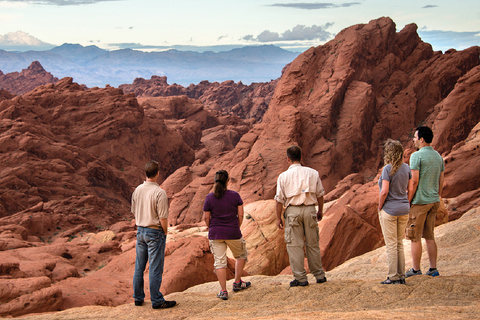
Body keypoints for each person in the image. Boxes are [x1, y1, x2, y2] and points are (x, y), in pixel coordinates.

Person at [274, 145, 327, 287]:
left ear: (288, 159)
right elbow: (320, 194)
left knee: (295, 245)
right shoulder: (313, 173)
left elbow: (279, 199)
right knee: (313, 244)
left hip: (293, 212)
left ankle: (300, 278)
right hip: (309, 209)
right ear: (301, 157)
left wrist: (278, 218)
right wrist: (320, 210)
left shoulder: (283, 176)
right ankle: (319, 275)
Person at [131, 161, 176, 309]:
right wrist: (164, 232)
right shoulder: (159, 193)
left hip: (140, 231)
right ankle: (156, 300)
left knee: (139, 266)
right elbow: (163, 217)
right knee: (155, 268)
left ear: (145, 173)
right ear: (158, 173)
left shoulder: (137, 190)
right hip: (154, 232)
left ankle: (138, 298)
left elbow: (134, 210)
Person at [203, 170, 251, 300]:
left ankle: (223, 291)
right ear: (227, 181)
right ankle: (237, 282)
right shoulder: (235, 196)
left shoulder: (209, 198)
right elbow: (240, 215)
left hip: (216, 233)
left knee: (220, 262)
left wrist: (211, 227)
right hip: (233, 231)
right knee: (241, 255)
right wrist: (236, 226)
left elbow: (206, 218)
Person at [405, 126, 445, 278]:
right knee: (429, 236)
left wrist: (409, 201)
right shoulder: (438, 157)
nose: (413, 140)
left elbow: (414, 182)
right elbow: (441, 181)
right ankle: (433, 269)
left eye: (415, 137)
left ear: (421, 139)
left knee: (414, 236)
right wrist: (437, 197)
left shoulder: (416, 156)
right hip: (434, 201)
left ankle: (415, 269)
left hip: (420, 202)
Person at [378, 139, 412, 284]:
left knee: (391, 244)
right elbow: (410, 189)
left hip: (390, 210)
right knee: (399, 243)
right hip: (404, 209)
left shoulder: (388, 169)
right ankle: (401, 275)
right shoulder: (406, 168)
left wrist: (380, 206)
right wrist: (406, 202)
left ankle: (393, 276)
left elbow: (384, 191)